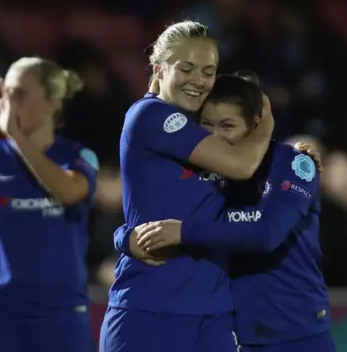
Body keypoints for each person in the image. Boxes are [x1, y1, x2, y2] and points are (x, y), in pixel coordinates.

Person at [99, 20, 275, 352]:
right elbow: (242, 166)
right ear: (158, 68)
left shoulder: (209, 128)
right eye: (187, 68)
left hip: (215, 313)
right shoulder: (151, 116)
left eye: (208, 71)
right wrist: (265, 118)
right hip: (149, 308)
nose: (198, 80)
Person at [133, 73, 335, 352]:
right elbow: (155, 216)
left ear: (255, 125)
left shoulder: (295, 164)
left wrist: (184, 231)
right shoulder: (201, 173)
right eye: (206, 125)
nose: (216, 137)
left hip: (299, 333)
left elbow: (267, 233)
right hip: (236, 337)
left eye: (227, 126)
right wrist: (125, 238)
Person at [0, 57, 98, 352]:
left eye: (19, 94)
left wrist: (18, 138)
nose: (7, 103)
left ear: (52, 102)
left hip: (60, 314)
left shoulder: (79, 155)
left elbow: (70, 191)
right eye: (5, 93)